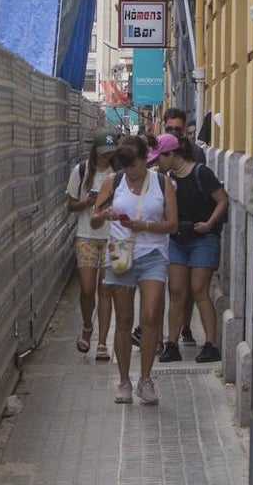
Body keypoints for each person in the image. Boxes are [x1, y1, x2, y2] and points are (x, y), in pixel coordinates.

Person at [92, 135, 178, 405]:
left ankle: (146, 379)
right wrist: (102, 216)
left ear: (145, 159)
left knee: (151, 313)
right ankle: (124, 381)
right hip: (121, 255)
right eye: (125, 166)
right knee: (125, 319)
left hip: (153, 254)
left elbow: (173, 225)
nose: (130, 171)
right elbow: (95, 220)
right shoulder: (113, 182)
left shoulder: (162, 183)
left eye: (135, 165)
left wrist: (147, 227)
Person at [157, 135, 229, 363]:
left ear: (171, 154)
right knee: (176, 291)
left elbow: (222, 200)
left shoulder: (201, 173)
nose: (158, 162)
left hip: (203, 239)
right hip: (178, 239)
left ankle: (211, 344)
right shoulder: (167, 178)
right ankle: (172, 343)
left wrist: (209, 223)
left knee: (199, 290)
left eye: (160, 157)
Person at [65, 131, 120, 361]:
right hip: (86, 235)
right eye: (103, 152)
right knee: (87, 288)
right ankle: (88, 325)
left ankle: (102, 342)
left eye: (111, 153)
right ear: (95, 150)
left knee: (106, 289)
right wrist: (86, 202)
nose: (107, 157)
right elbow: (70, 206)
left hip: (113, 238)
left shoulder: (118, 174)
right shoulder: (80, 171)